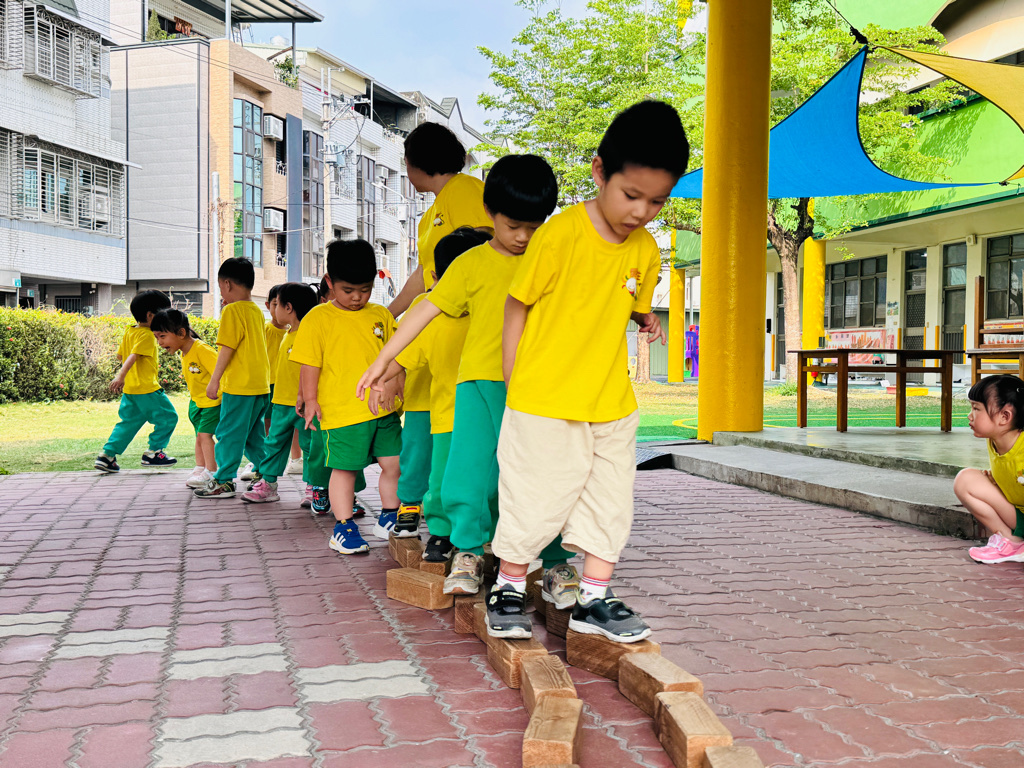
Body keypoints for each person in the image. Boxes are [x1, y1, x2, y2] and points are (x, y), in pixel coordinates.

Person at [489, 101, 688, 641]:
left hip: (610, 400)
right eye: (632, 195)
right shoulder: (559, 235)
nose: (642, 211)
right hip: (544, 397)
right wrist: (513, 376)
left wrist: (646, 318)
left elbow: (626, 299)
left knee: (610, 501)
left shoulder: (646, 249)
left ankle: (593, 598)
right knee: (535, 495)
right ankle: (508, 586)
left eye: (657, 201)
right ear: (600, 172)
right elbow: (517, 304)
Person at [358, 155, 574, 601]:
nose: (523, 236)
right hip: (477, 384)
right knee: (468, 472)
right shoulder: (471, 263)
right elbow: (427, 309)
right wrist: (385, 359)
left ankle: (555, 562)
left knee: (543, 473)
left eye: (534, 227)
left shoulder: (553, 260)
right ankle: (469, 552)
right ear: (491, 212)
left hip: (539, 386)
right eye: (513, 225)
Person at [372, 227, 489, 561]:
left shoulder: (491, 314)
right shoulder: (430, 315)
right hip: (444, 417)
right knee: (439, 478)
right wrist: (381, 379)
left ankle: (482, 534)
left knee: (484, 479)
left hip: (487, 417)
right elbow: (404, 356)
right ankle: (439, 532)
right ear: (437, 279)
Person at [292, 239, 402, 554]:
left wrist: (396, 384)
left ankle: (390, 516)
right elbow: (309, 363)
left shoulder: (381, 315)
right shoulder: (317, 318)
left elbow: (398, 356)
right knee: (345, 470)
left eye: (364, 290)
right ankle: (343, 527)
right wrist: (310, 399)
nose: (356, 297)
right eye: (348, 290)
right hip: (341, 413)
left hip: (383, 411)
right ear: (329, 282)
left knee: (394, 463)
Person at [386, 122, 491, 318]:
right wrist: (386, 315)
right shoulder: (427, 217)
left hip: (468, 315)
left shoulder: (465, 189)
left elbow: (482, 249)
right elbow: (423, 274)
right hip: (442, 313)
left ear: (419, 162)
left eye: (406, 163)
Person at [242, 282, 328, 505]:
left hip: (306, 405)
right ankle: (268, 484)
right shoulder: (287, 334)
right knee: (274, 443)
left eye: (276, 304)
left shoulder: (309, 335)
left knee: (310, 446)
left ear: (288, 308)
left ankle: (313, 486)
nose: (274, 309)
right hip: (281, 402)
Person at [194, 257, 271, 498]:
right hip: (260, 386)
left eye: (220, 287)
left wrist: (214, 380)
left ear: (227, 284)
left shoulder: (232, 310)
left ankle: (223, 481)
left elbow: (226, 348)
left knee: (228, 433)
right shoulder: (256, 311)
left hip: (239, 387)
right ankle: (266, 476)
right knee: (253, 437)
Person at [94, 290, 178, 473]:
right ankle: (154, 452)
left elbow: (121, 356)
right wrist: (120, 376)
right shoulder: (147, 335)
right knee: (168, 417)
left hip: (131, 391)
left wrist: (125, 376)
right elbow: (132, 356)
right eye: (163, 315)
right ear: (150, 316)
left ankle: (107, 456)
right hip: (146, 389)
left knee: (128, 423)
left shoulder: (130, 331)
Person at [954, 374, 1024, 563]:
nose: (969, 415)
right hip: (1018, 515)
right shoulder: (994, 440)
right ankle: (1011, 542)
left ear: (1004, 416)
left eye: (976, 408)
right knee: (965, 480)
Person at [151, 309, 220, 487]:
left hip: (212, 403)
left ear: (181, 333)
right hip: (198, 403)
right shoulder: (185, 351)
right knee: (199, 436)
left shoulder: (201, 349)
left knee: (205, 436)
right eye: (157, 337)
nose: (160, 342)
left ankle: (212, 471)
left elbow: (221, 373)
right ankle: (201, 467)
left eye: (162, 336)